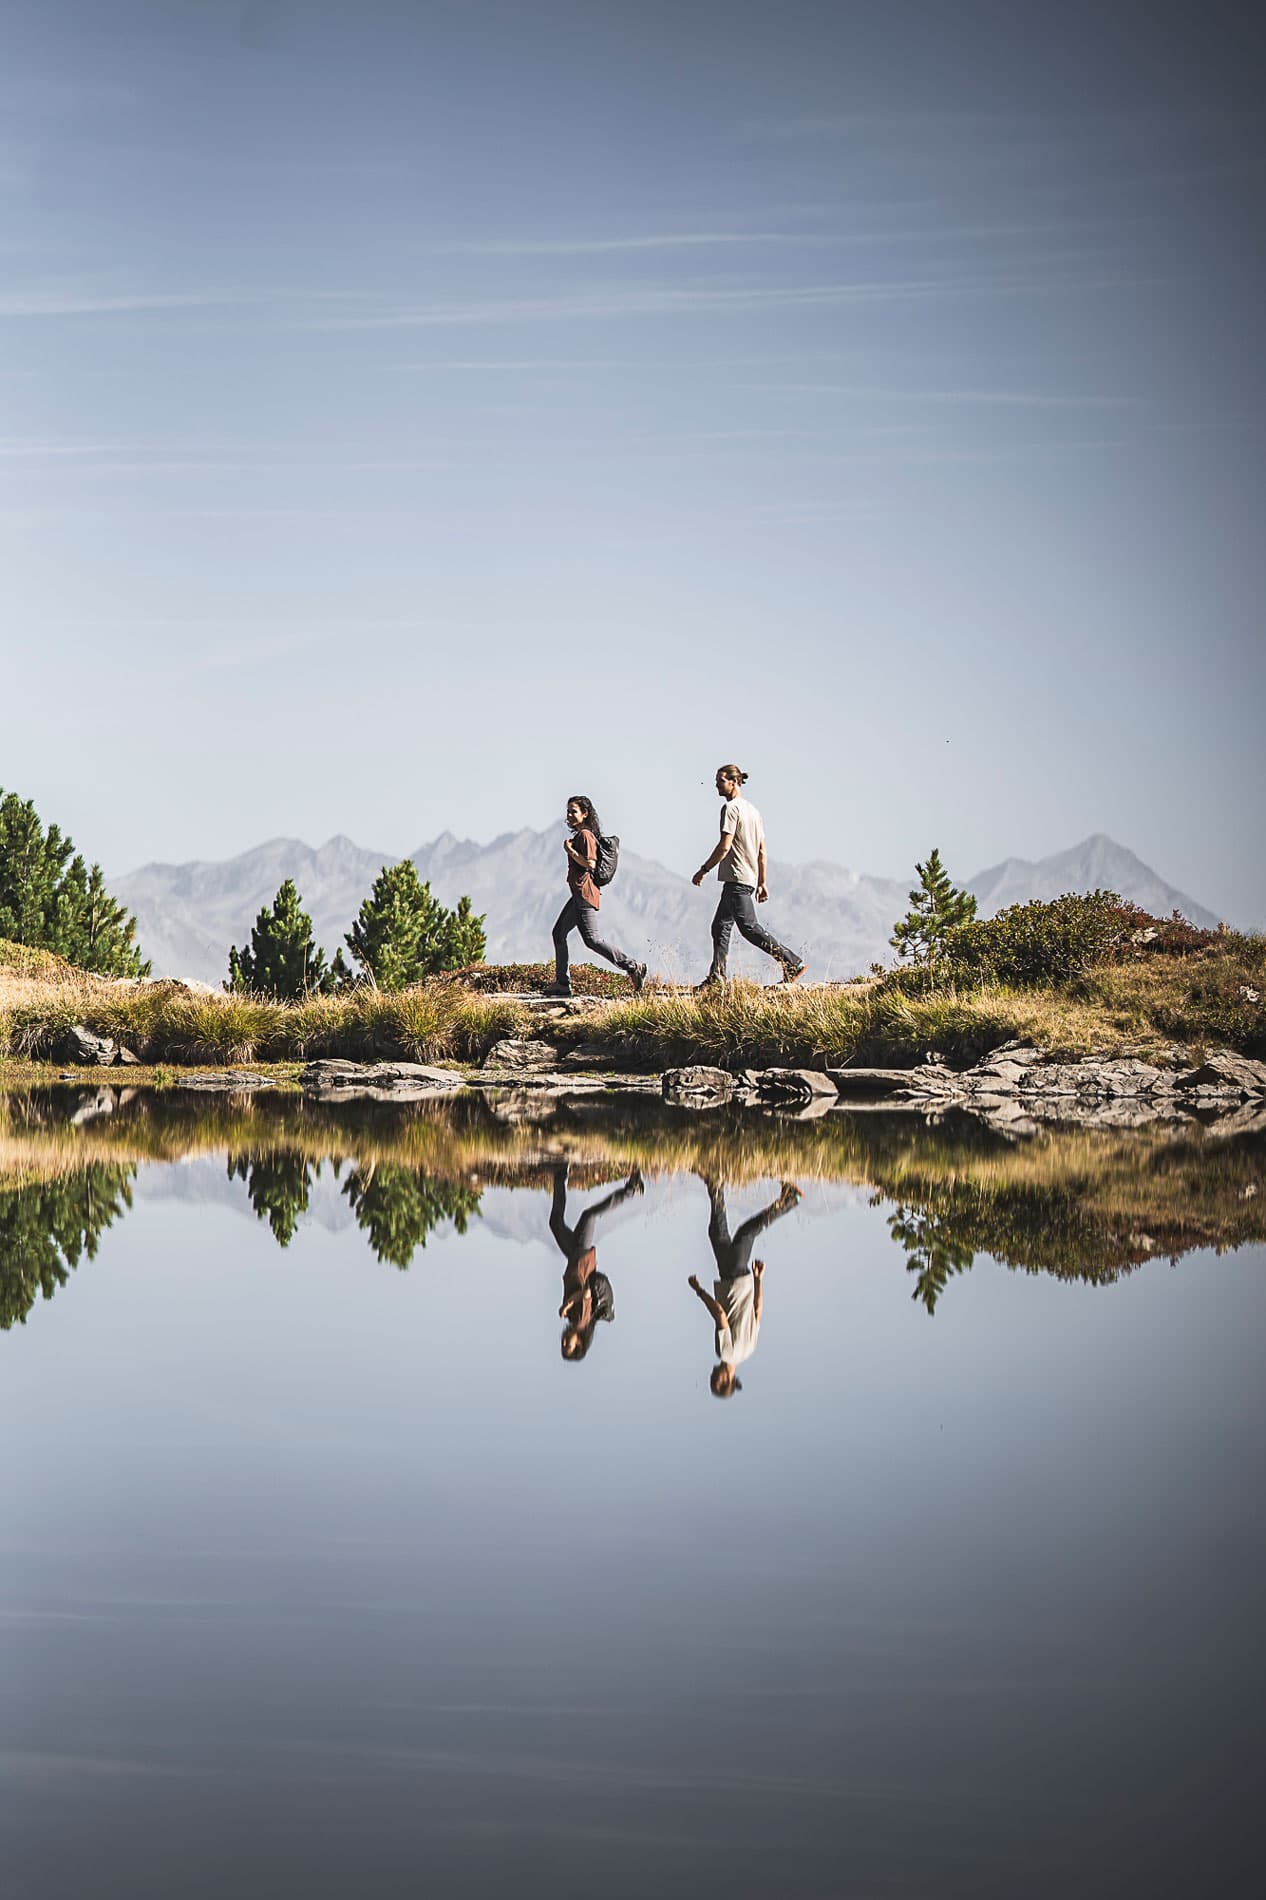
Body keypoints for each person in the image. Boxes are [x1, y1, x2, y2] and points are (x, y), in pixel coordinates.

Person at [691, 764, 805, 988]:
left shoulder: (731, 809)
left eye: (720, 781)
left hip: (737, 879)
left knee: (749, 928)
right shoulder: (753, 811)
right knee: (720, 926)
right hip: (746, 879)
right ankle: (717, 977)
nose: (716, 785)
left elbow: (725, 846)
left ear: (733, 782)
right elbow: (762, 850)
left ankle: (791, 962)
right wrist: (762, 882)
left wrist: (703, 870)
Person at [687, 1177, 802, 1396]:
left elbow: (757, 1312)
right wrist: (699, 1291)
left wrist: (759, 1280)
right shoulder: (725, 1353)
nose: (711, 1377)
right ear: (727, 1380)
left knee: (719, 1234)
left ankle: (715, 1184)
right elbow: (720, 1315)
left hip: (738, 1279)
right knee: (745, 1234)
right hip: (733, 1281)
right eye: (716, 1381)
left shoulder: (749, 1350)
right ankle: (789, 1200)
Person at [544, 794, 647, 998]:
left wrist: (570, 851)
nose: (569, 815)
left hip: (584, 894)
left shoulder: (585, 835)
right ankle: (562, 984)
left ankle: (633, 966)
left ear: (585, 814)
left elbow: (590, 863)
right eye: (568, 811)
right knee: (559, 933)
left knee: (592, 939)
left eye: (574, 811)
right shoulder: (582, 835)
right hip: (579, 894)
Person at [549, 1161, 645, 1361]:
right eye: (569, 1346)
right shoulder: (581, 1321)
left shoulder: (573, 1320)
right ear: (580, 1343)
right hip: (582, 1257)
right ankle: (631, 1190)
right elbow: (586, 1292)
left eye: (562, 1346)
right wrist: (567, 1305)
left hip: (573, 1256)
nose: (564, 1342)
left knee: (555, 1222)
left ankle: (560, 1174)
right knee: (589, 1216)